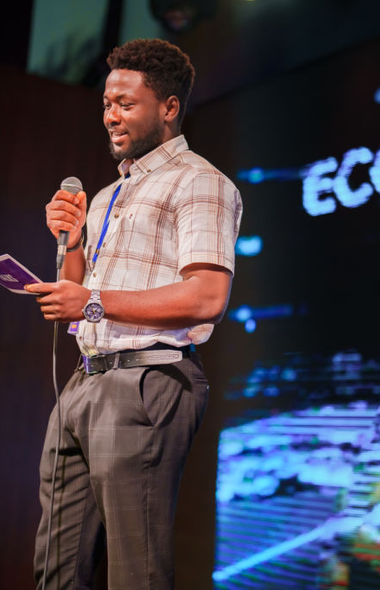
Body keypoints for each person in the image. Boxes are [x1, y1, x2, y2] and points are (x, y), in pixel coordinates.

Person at [24, 38, 242, 590]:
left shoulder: (200, 181)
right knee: (55, 566)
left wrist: (92, 302)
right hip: (84, 380)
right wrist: (72, 241)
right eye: (106, 104)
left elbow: (207, 297)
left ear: (168, 107)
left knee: (134, 569)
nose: (111, 116)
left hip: (147, 379)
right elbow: (78, 302)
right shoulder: (105, 196)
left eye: (125, 104)